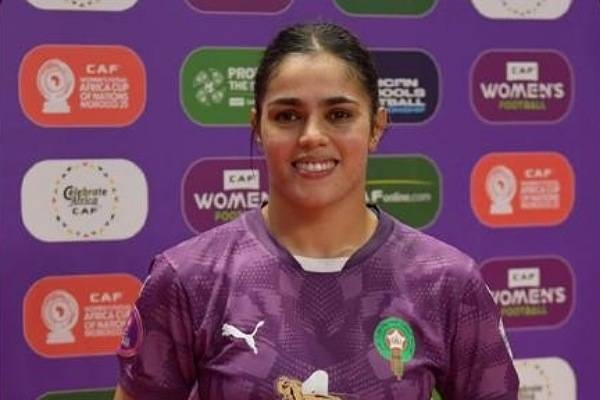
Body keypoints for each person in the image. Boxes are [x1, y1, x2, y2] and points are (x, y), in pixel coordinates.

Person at [114, 22, 519, 400]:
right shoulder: (190, 278)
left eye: (339, 115)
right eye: (287, 116)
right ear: (258, 128)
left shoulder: (446, 283)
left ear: (376, 127)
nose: (312, 136)